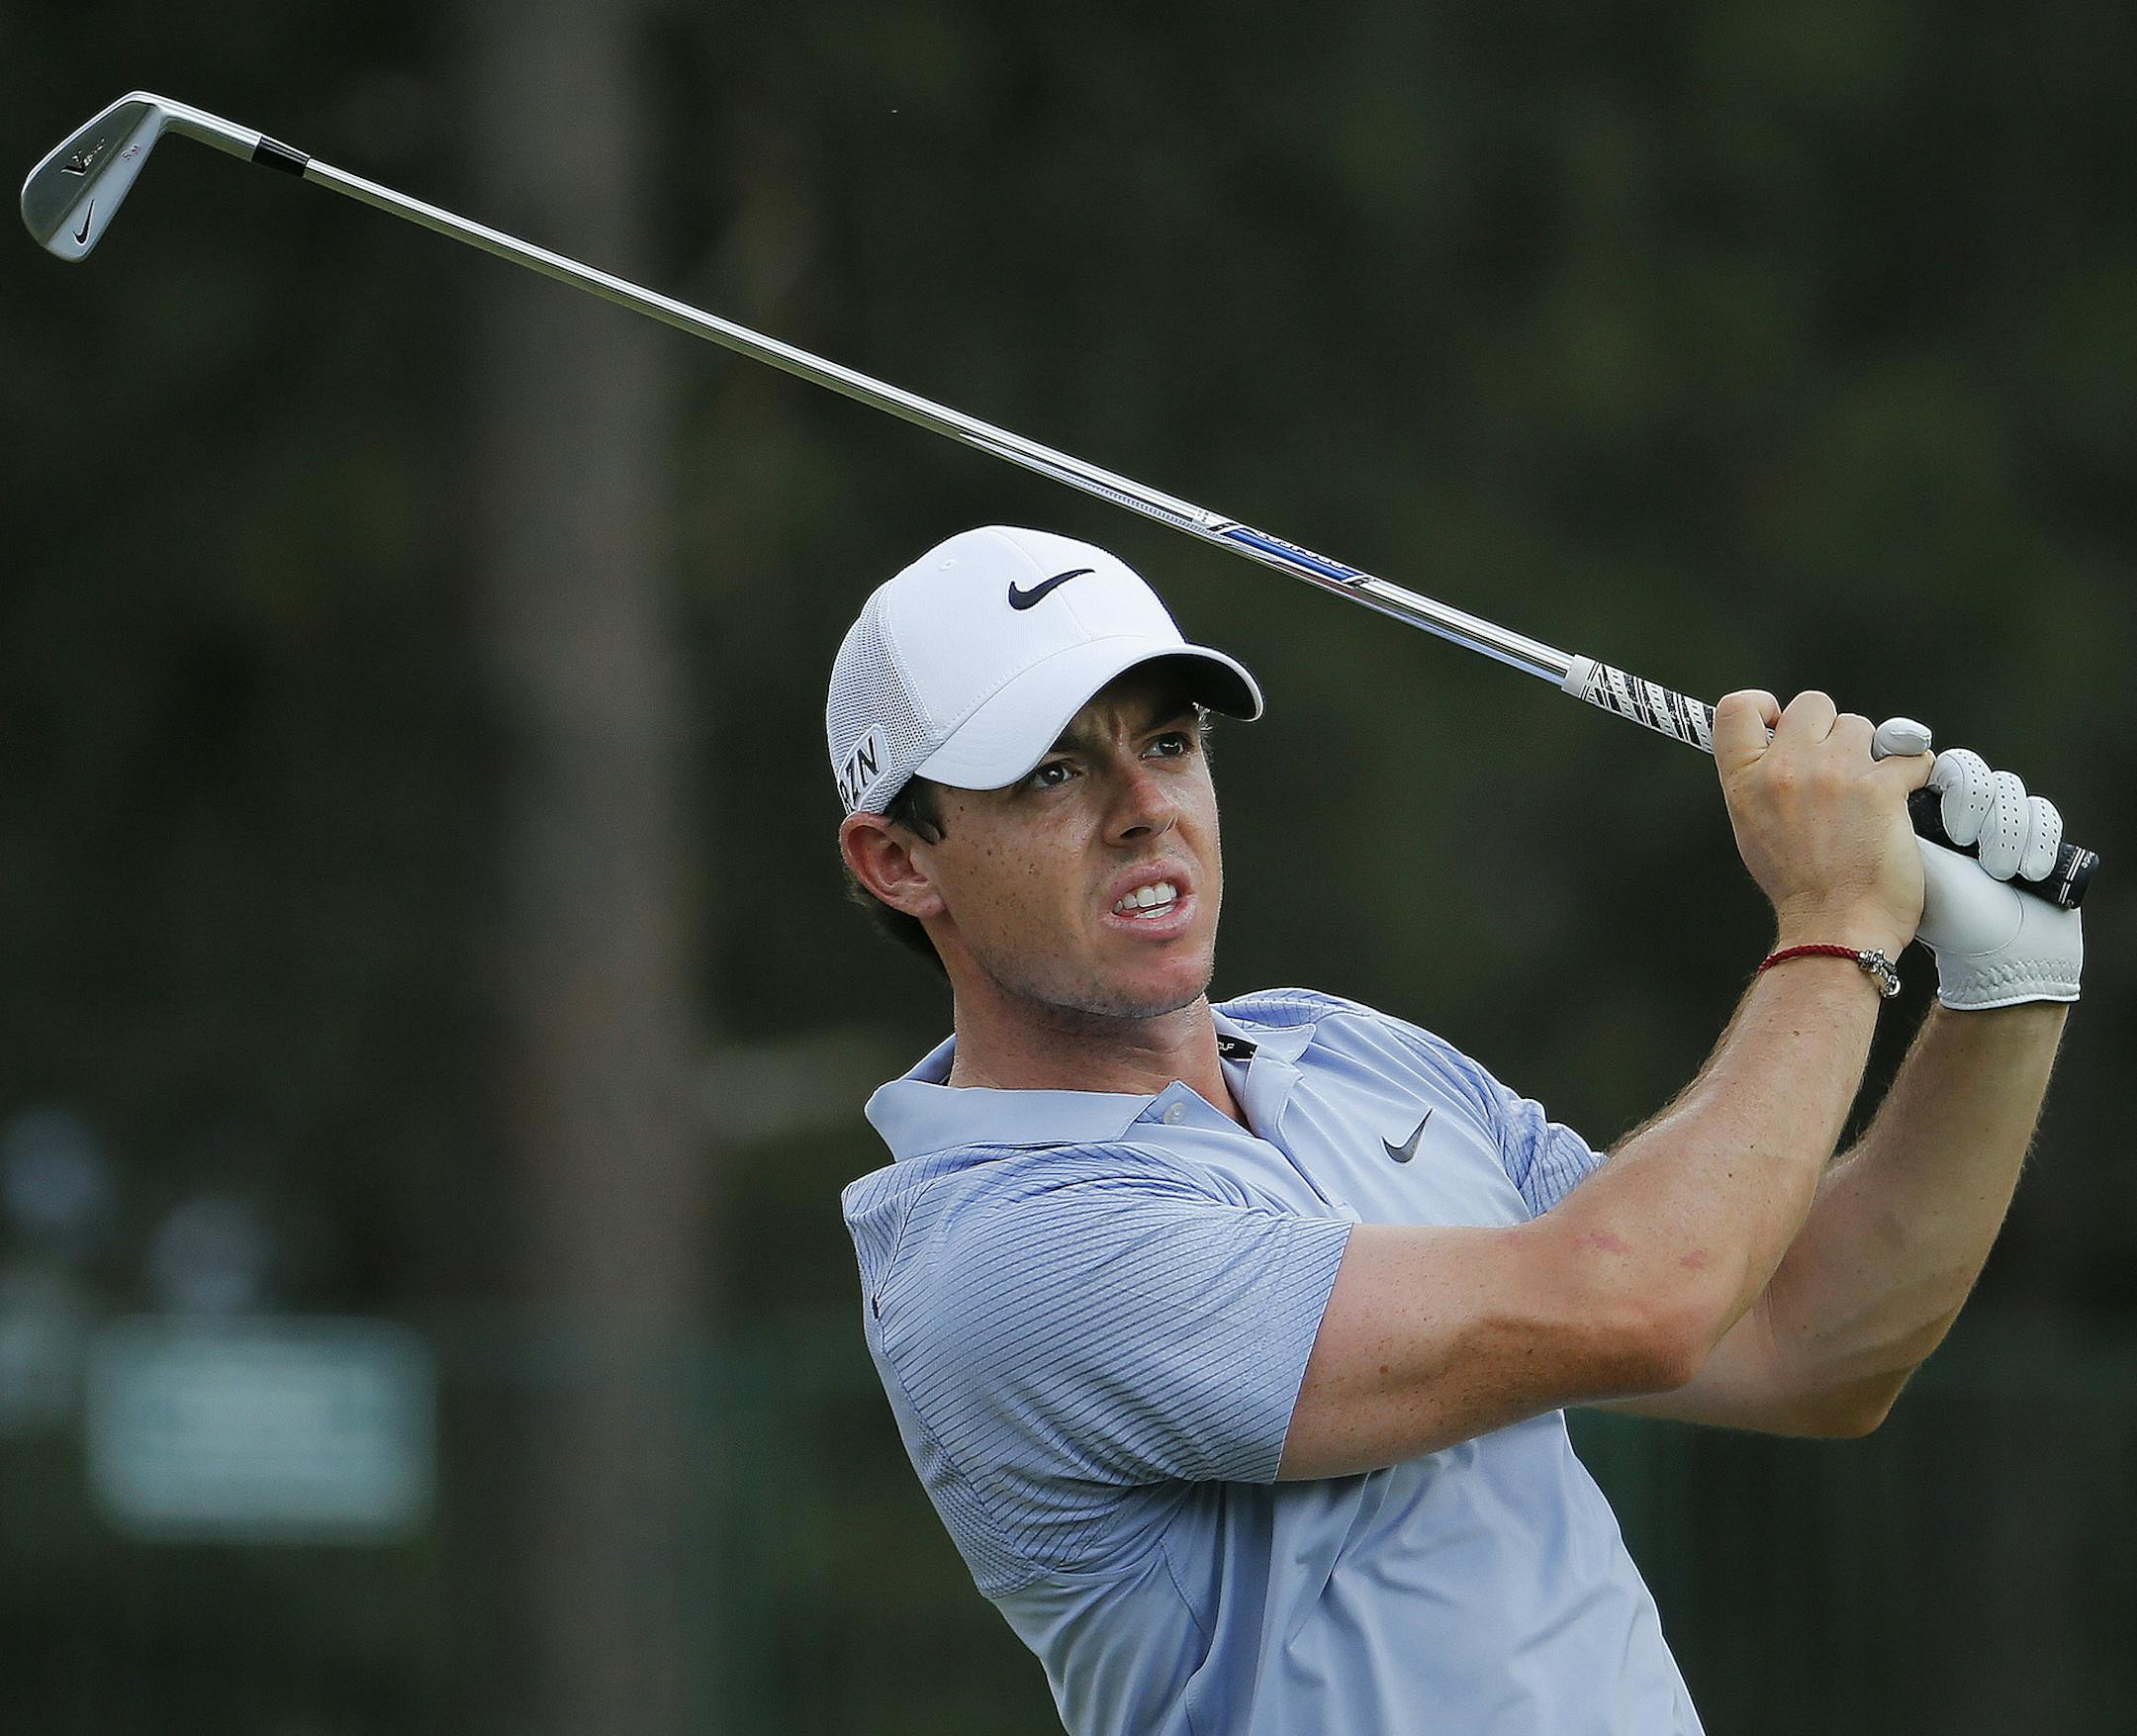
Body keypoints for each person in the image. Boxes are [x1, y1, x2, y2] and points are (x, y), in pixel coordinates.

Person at [828, 524, 2082, 1736]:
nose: (1146, 806)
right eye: (1053, 772)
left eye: (1170, 741)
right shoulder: (1003, 1252)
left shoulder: (1348, 1053)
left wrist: (2006, 992)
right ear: (898, 861)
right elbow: (1645, 1299)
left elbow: (1804, 1342)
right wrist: (1837, 922)